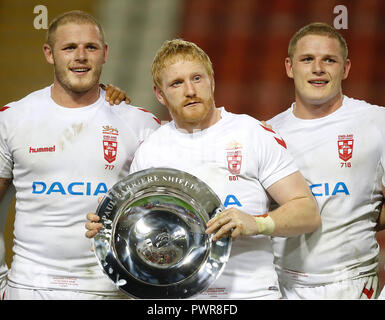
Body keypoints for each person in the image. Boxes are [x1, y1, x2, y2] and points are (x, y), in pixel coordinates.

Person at [86, 39, 321, 299]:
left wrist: (257, 223)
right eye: (176, 83)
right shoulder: (151, 151)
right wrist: (110, 226)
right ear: (160, 94)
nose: (190, 90)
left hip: (250, 294)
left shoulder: (252, 133)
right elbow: (144, 235)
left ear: (212, 81)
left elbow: (308, 212)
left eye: (197, 78)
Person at [0, 10, 159, 300]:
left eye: (91, 47)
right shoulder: (12, 119)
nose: (81, 56)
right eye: (69, 47)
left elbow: (162, 209)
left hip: (108, 289)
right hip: (29, 287)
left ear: (105, 53)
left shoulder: (140, 123)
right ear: (49, 53)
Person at [267, 22, 385, 299]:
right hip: (281, 284)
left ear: (345, 69)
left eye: (329, 60)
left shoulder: (377, 122)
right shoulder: (268, 134)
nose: (317, 68)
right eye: (307, 59)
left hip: (351, 283)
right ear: (289, 66)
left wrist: (361, 215)